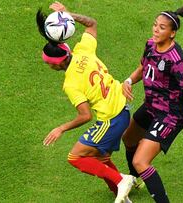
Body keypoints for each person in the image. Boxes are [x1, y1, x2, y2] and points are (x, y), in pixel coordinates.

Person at [36, 2, 136, 203]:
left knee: (76, 157)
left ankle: (122, 180)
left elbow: (85, 115)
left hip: (111, 119)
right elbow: (91, 24)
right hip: (122, 109)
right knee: (100, 156)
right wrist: (68, 15)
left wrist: (61, 128)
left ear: (59, 63)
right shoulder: (83, 50)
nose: (48, 66)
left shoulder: (71, 83)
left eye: (49, 63)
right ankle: (121, 192)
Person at [121, 0, 183, 202]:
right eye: (155, 24)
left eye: (162, 28)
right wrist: (129, 80)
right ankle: (133, 181)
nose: (156, 30)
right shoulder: (150, 45)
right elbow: (143, 68)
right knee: (128, 139)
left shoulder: (176, 59)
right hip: (151, 106)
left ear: (172, 33)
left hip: (171, 115)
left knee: (141, 160)